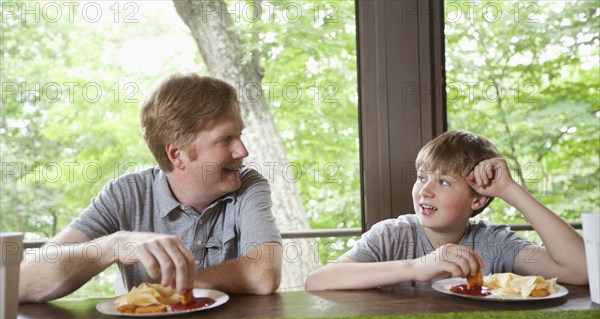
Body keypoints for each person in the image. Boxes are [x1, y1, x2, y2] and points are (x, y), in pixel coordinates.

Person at [19, 73, 282, 302]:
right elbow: (23, 283)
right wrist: (114, 246)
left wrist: (169, 289)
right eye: (226, 140)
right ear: (177, 155)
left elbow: (263, 274)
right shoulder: (126, 195)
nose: (242, 150)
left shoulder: (248, 185)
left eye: (240, 135)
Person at [305, 130, 588, 290]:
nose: (425, 191)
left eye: (443, 182)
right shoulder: (391, 236)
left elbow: (580, 270)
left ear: (477, 201)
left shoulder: (494, 242)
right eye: (421, 178)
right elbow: (317, 282)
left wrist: (510, 190)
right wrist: (417, 266)